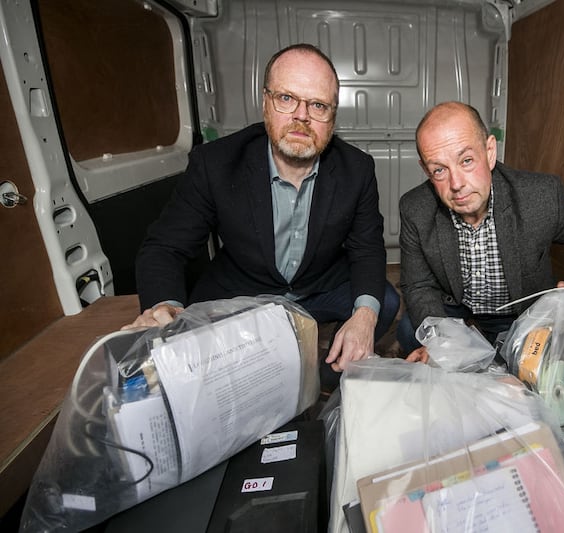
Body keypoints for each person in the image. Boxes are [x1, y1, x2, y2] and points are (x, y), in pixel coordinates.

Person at [125, 43, 399, 373]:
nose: (302, 116)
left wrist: (364, 318)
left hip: (318, 286)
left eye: (318, 105)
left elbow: (366, 248)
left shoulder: (357, 169)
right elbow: (165, 248)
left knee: (382, 302)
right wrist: (165, 306)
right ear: (265, 103)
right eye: (287, 98)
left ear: (332, 117)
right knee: (195, 355)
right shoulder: (216, 164)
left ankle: (314, 377)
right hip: (243, 290)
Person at [398, 101, 564, 362]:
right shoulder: (415, 208)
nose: (456, 184)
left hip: (517, 313)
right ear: (426, 170)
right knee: (411, 333)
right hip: (454, 305)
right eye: (439, 170)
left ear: (490, 151)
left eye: (466, 160)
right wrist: (440, 341)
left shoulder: (541, 197)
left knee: (541, 365)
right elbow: (418, 284)